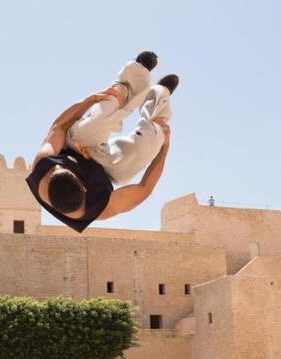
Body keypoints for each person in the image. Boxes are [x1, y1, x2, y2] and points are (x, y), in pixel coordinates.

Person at [26, 51, 179, 233]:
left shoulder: (43, 166)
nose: (57, 166)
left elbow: (59, 126)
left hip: (76, 146)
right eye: (62, 168)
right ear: (84, 187)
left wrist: (91, 99)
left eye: (57, 168)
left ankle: (133, 77)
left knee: (97, 119)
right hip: (106, 171)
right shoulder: (101, 207)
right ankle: (159, 99)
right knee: (151, 142)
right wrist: (164, 149)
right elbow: (144, 189)